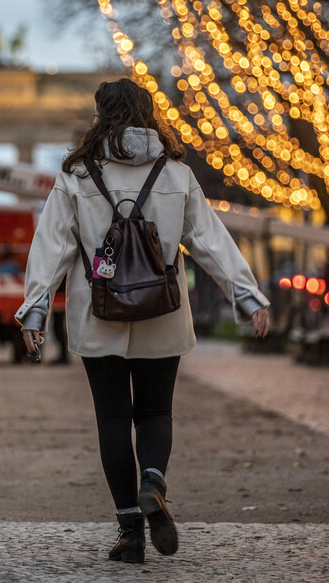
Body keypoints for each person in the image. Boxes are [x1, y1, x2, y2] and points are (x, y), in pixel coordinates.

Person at [16, 78, 270, 564]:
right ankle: (153, 478)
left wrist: (36, 307)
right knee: (155, 411)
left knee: (112, 419)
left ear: (100, 117)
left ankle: (130, 532)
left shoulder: (76, 174)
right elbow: (209, 240)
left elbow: (52, 247)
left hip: (99, 312)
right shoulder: (175, 172)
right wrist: (246, 294)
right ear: (149, 114)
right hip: (163, 311)